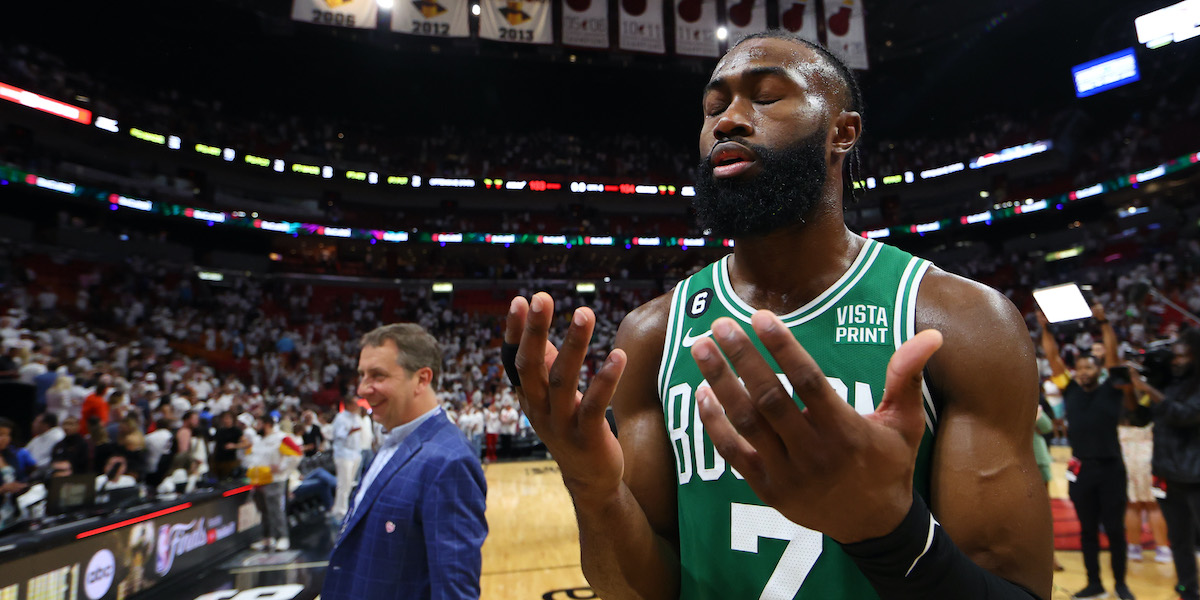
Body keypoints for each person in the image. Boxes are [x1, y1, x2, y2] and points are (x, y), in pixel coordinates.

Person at [504, 30, 1052, 600]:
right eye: (714, 107)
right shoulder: (652, 334)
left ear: (842, 132)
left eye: (765, 97)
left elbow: (1018, 589)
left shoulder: (962, 323)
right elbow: (640, 592)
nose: (728, 121)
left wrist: (889, 532)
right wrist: (593, 488)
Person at [323, 323, 487, 600]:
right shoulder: (393, 439)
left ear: (422, 379)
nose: (362, 389)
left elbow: (455, 593)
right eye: (362, 375)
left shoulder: (449, 461)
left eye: (377, 375)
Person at [1040, 306, 1134, 599]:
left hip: (1111, 469)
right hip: (1081, 471)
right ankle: (1095, 583)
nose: (1082, 373)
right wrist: (1045, 329)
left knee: (1116, 531)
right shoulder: (1069, 390)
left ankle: (1120, 583)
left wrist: (1104, 321)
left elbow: (1114, 355)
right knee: (1087, 530)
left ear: (1099, 370)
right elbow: (1054, 360)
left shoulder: (1112, 388)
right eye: (1079, 369)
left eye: (1088, 368)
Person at [1130, 329, 1200, 600]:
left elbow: (1187, 414)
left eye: (1183, 356)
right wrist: (1132, 391)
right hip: (1167, 474)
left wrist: (1147, 388)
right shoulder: (1167, 385)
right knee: (1179, 539)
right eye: (1175, 356)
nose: (1176, 361)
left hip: (1195, 475)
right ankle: (1187, 588)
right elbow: (1140, 418)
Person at [247, 413, 301, 552]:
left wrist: (282, 468)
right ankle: (267, 537)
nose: (255, 427)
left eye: (258, 423)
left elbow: (296, 454)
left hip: (274, 480)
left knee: (275, 510)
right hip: (258, 481)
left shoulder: (280, 438)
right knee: (263, 511)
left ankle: (282, 537)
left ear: (267, 424)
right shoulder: (259, 440)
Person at [330, 401, 362, 520]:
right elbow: (338, 434)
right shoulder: (340, 418)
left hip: (355, 453)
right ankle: (340, 511)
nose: (357, 407)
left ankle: (345, 507)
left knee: (349, 483)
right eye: (355, 405)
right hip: (343, 454)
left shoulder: (357, 417)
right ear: (348, 406)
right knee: (343, 483)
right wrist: (350, 431)